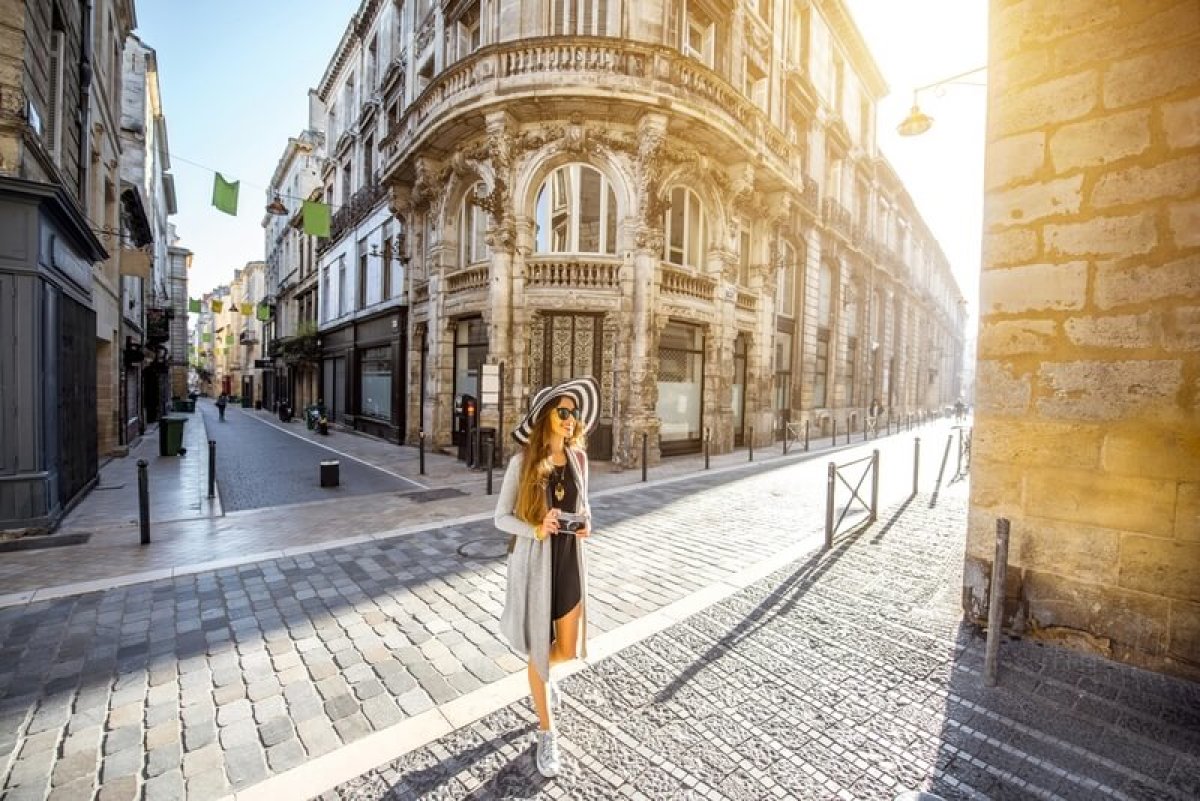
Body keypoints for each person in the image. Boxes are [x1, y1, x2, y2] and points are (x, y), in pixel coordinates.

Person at [494, 376, 599, 779]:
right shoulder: (522, 464)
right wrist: (537, 528)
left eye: (574, 413)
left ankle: (542, 678)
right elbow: (500, 518)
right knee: (540, 648)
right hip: (536, 565)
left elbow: (583, 507)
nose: (571, 419)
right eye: (564, 411)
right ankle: (546, 730)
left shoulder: (579, 461)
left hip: (570, 561)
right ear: (545, 417)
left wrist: (585, 522)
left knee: (568, 648)